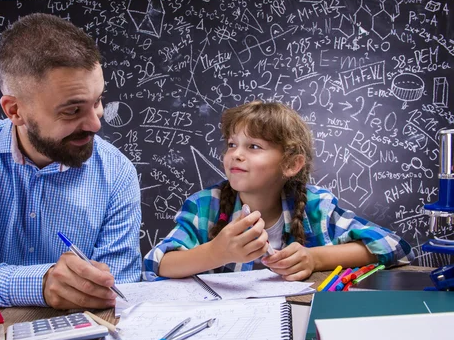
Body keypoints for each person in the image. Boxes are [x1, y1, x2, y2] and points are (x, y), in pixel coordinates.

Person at [0, 13, 142, 309]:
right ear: (15, 111)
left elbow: (121, 288)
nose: (95, 124)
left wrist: (101, 289)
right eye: (72, 111)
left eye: (97, 101)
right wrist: (40, 283)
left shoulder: (117, 173)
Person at [143, 101, 415, 281]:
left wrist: (314, 258)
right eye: (231, 144)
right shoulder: (205, 206)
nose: (236, 155)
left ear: (291, 164)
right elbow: (158, 264)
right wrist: (218, 252)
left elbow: (395, 247)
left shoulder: (315, 207)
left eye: (253, 147)